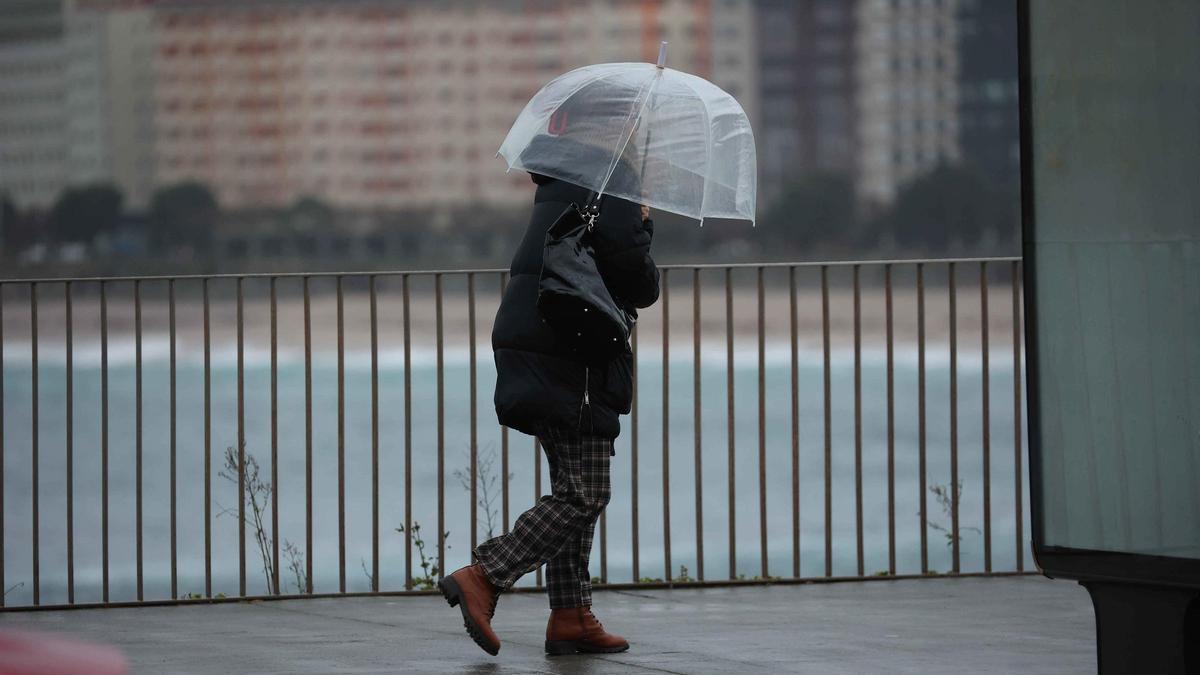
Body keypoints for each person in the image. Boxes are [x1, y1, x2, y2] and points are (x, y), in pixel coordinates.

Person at [438, 133, 659, 657]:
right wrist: (644, 224)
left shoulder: (563, 185)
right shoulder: (611, 184)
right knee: (585, 492)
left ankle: (571, 616)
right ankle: (485, 575)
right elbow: (640, 282)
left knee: (572, 485)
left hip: (539, 346)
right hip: (573, 356)